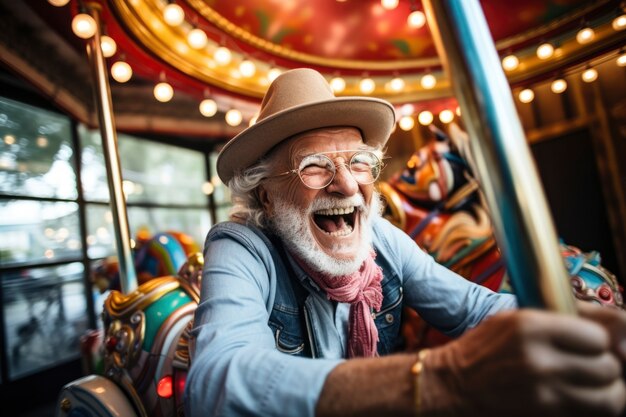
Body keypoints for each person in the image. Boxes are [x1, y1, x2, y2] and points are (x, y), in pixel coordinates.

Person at [185, 68, 626, 417]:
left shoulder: (382, 238)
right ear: (266, 193)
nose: (347, 186)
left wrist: (579, 326)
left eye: (359, 163)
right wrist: (441, 380)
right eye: (315, 166)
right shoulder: (241, 246)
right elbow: (218, 382)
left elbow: (473, 307)